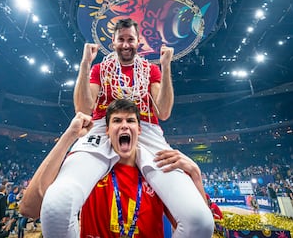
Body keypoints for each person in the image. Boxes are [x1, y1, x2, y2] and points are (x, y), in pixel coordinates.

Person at [37, 18, 213, 238]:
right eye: (121, 39)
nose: (126, 44)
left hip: (146, 130)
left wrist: (166, 66)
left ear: (139, 42)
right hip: (102, 129)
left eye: (131, 39)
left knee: (200, 222)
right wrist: (85, 65)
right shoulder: (100, 69)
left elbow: (164, 112)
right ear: (113, 42)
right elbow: (83, 109)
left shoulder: (150, 70)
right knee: (56, 207)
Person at [20, 99, 208, 237]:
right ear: (107, 130)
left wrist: (196, 176)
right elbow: (30, 209)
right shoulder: (88, 170)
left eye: (131, 121)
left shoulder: (158, 173)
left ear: (139, 130)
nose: (124, 126)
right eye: (117, 121)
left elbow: (198, 226)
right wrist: (69, 137)